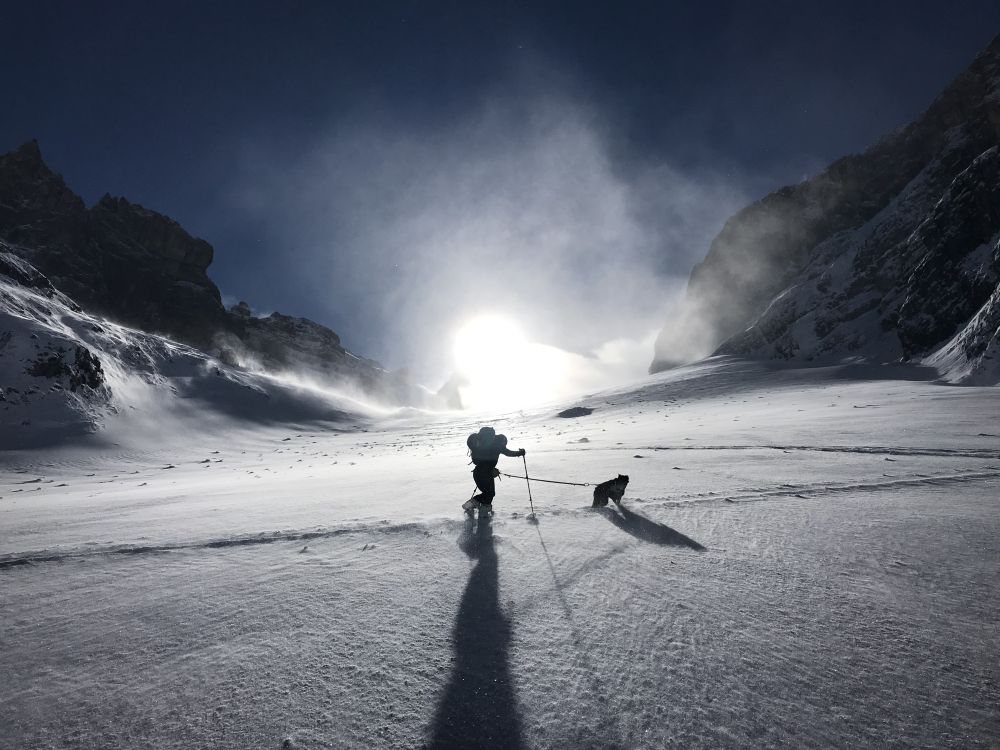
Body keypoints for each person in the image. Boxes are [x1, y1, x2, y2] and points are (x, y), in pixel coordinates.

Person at [463, 426, 525, 514]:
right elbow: (509, 453)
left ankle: (479, 508)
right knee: (490, 493)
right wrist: (520, 453)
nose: (504, 445)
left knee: (487, 493)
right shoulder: (498, 445)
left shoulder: (483, 445)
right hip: (485, 473)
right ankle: (476, 506)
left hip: (477, 472)